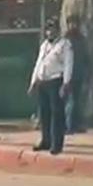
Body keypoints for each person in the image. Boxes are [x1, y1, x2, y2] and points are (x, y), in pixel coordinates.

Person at [29, 21, 74, 155]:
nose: (50, 32)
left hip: (56, 81)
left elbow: (68, 64)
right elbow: (39, 63)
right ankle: (46, 140)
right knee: (44, 114)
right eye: (48, 30)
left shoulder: (64, 44)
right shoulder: (44, 45)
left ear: (58, 30)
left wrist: (66, 83)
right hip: (43, 81)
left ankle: (56, 144)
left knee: (57, 114)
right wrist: (33, 81)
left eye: (52, 29)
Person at [64, 15, 90, 135]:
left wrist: (88, 72)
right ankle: (68, 126)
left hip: (79, 74)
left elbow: (86, 57)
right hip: (66, 75)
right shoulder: (64, 40)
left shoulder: (81, 39)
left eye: (75, 23)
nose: (73, 25)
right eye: (71, 23)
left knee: (77, 100)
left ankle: (76, 124)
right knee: (70, 100)